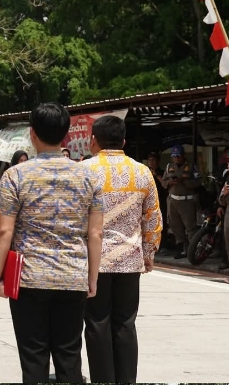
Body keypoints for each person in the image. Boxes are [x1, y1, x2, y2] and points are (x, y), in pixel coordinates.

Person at [0, 102, 103, 383]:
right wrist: (92, 279)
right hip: (73, 277)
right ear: (66, 135)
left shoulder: (15, 175)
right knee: (69, 356)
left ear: (32, 134)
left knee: (33, 358)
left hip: (29, 280)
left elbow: (3, 232)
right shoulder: (89, 176)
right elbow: (96, 234)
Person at [81, 115, 162, 383]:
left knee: (96, 323)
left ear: (94, 140)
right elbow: (153, 217)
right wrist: (149, 253)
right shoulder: (142, 172)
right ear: (124, 141)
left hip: (95, 262)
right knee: (126, 324)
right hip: (130, 260)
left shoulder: (84, 171)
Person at [161, 145, 202, 259]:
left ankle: (192, 250)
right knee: (175, 225)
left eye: (178, 156)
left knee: (190, 226)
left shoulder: (191, 166)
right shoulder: (169, 166)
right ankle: (181, 248)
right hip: (173, 200)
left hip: (187, 200)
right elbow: (163, 182)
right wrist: (169, 182)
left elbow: (199, 182)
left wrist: (184, 182)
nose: (177, 158)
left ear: (183, 155)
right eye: (174, 156)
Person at [147, 151, 172, 252]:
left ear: (158, 161)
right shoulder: (145, 172)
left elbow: (165, 185)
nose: (151, 162)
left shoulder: (162, 172)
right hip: (149, 201)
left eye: (153, 160)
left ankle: (163, 245)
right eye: (149, 160)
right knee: (149, 223)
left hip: (161, 200)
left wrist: (156, 175)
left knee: (161, 223)